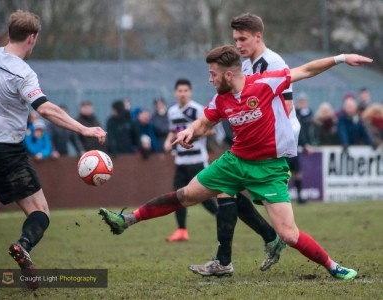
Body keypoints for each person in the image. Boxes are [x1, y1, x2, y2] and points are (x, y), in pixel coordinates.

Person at [99, 45, 372, 281]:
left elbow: (306, 70)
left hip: (268, 169)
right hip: (233, 162)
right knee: (186, 194)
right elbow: (205, 120)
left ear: (229, 74)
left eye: (212, 74)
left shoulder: (264, 83)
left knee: (288, 234)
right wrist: (189, 131)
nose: (209, 79)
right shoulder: (221, 98)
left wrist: (341, 58)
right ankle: (127, 220)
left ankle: (333, 266)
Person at [0, 10, 106, 289]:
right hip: (7, 152)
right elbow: (44, 108)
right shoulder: (23, 73)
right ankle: (23, 244)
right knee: (40, 211)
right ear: (32, 38)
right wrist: (84, 129)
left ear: (9, 33)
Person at [190, 13, 298, 276]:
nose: (237, 44)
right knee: (225, 192)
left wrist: (257, 133)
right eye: (235, 39)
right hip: (250, 142)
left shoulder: (272, 62)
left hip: (271, 145)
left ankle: (239, 254)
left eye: (242, 38)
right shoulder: (246, 64)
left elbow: (287, 103)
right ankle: (234, 256)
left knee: (228, 192)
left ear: (257, 36)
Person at [163, 78, 218, 242]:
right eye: (180, 91)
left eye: (185, 90)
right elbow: (173, 131)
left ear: (190, 92)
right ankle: (181, 230)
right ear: (175, 93)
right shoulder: (172, 111)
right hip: (180, 161)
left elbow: (210, 131)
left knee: (203, 197)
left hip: (197, 161)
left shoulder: (196, 109)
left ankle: (221, 217)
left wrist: (191, 135)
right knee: (178, 196)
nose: (182, 93)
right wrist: (168, 142)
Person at [287, 94, 315, 204]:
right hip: (283, 149)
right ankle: (283, 198)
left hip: (293, 148)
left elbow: (300, 132)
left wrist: (305, 145)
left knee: (297, 173)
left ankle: (299, 197)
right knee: (284, 174)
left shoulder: (296, 115)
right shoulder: (293, 114)